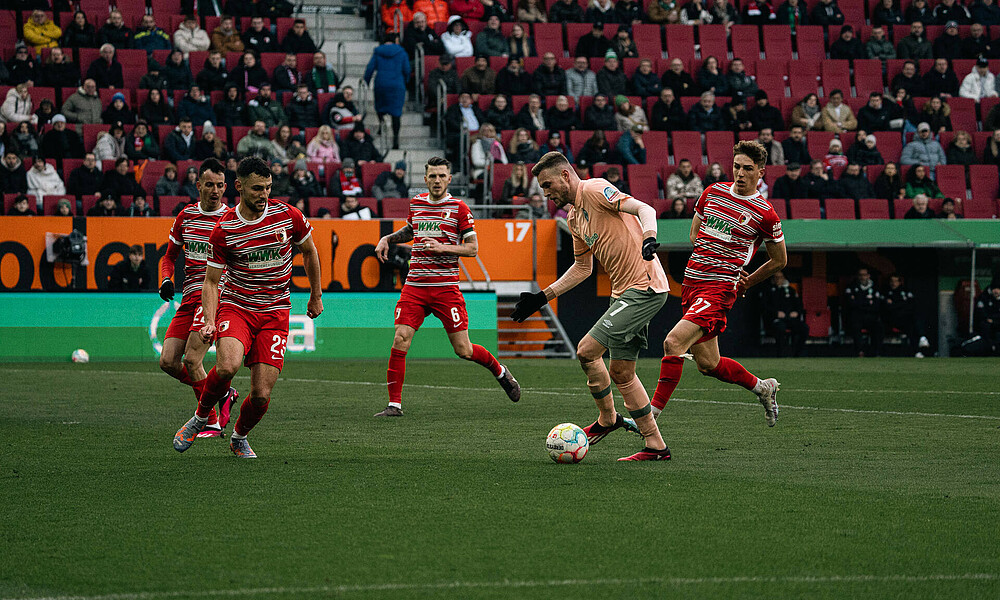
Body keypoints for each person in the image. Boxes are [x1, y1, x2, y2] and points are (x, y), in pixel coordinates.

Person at [511, 151, 670, 461]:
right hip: (623, 293)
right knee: (622, 372)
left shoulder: (596, 190)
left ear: (566, 176)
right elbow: (583, 268)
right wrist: (543, 297)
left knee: (586, 350)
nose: (546, 193)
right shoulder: (573, 218)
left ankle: (608, 419)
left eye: (548, 185)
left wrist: (649, 237)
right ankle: (655, 446)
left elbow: (645, 208)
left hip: (645, 287)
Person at [172, 156, 324, 458]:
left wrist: (316, 294)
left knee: (261, 394)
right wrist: (210, 320)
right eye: (257, 189)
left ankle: (239, 436)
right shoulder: (224, 230)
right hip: (237, 306)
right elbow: (212, 282)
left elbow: (309, 250)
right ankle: (201, 418)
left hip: (276, 312)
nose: (264, 195)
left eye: (267, 188)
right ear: (239, 187)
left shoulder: (287, 215)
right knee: (227, 366)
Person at [650, 141, 783, 427]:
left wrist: (748, 281)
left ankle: (649, 418)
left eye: (748, 169)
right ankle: (763, 388)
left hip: (720, 289)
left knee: (672, 342)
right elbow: (695, 230)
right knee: (708, 364)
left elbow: (779, 260)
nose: (741, 173)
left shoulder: (765, 214)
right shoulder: (713, 192)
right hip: (692, 282)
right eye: (737, 166)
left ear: (761, 172)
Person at [373, 156, 520, 418]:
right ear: (425, 179)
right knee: (400, 338)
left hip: (445, 288)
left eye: (442, 176)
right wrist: (388, 238)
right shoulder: (416, 204)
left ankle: (500, 371)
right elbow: (411, 231)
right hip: (415, 286)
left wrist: (443, 247)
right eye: (432, 176)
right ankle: (394, 404)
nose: (437, 180)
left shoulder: (459, 209)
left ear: (449, 179)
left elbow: (473, 248)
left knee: (463, 350)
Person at [364, 34, 410, 150]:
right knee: (396, 113)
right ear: (395, 40)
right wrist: (405, 81)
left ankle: (382, 123)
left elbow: (370, 68)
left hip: (381, 83)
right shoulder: (401, 52)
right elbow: (407, 69)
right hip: (397, 85)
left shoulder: (378, 52)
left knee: (380, 107)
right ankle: (395, 140)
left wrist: (366, 81)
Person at [883, 273, 931, 357]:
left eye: (895, 281)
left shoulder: (905, 291)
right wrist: (900, 304)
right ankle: (921, 339)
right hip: (892, 320)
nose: (893, 283)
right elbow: (887, 307)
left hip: (905, 319)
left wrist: (895, 304)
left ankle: (919, 345)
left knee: (913, 324)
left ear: (899, 282)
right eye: (892, 281)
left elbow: (911, 305)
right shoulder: (886, 292)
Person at [762, 271, 807, 357]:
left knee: (804, 328)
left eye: (780, 277)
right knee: (780, 328)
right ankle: (781, 354)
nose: (778, 279)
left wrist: (796, 312)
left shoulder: (790, 290)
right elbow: (764, 307)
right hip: (776, 320)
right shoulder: (768, 291)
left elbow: (799, 305)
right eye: (776, 277)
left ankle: (798, 354)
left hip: (790, 319)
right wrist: (775, 313)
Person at [844, 268, 883, 357]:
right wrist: (867, 302)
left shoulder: (875, 287)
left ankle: (876, 352)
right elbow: (851, 304)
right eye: (860, 275)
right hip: (857, 316)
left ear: (868, 276)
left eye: (864, 275)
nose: (862, 277)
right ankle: (860, 351)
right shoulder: (852, 286)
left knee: (878, 326)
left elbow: (876, 305)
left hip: (871, 316)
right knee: (855, 326)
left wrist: (860, 301)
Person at [974, 279, 1000, 354]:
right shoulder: (984, 297)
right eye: (994, 289)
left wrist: (994, 320)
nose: (996, 291)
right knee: (985, 325)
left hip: (996, 322)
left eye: (998, 289)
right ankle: (989, 348)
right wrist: (990, 319)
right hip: (986, 323)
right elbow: (980, 312)